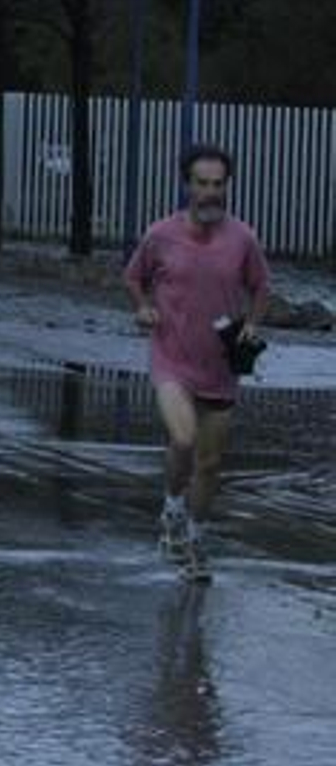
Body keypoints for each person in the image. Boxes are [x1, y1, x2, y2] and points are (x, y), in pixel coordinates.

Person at [124, 144, 271, 582]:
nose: (210, 193)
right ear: (186, 185)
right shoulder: (160, 235)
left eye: (218, 184)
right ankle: (171, 511)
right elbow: (133, 276)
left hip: (221, 366)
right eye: (202, 184)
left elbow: (262, 288)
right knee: (183, 439)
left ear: (227, 186)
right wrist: (144, 307)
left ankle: (195, 538)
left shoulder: (243, 238)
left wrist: (253, 325)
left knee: (209, 465)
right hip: (172, 358)